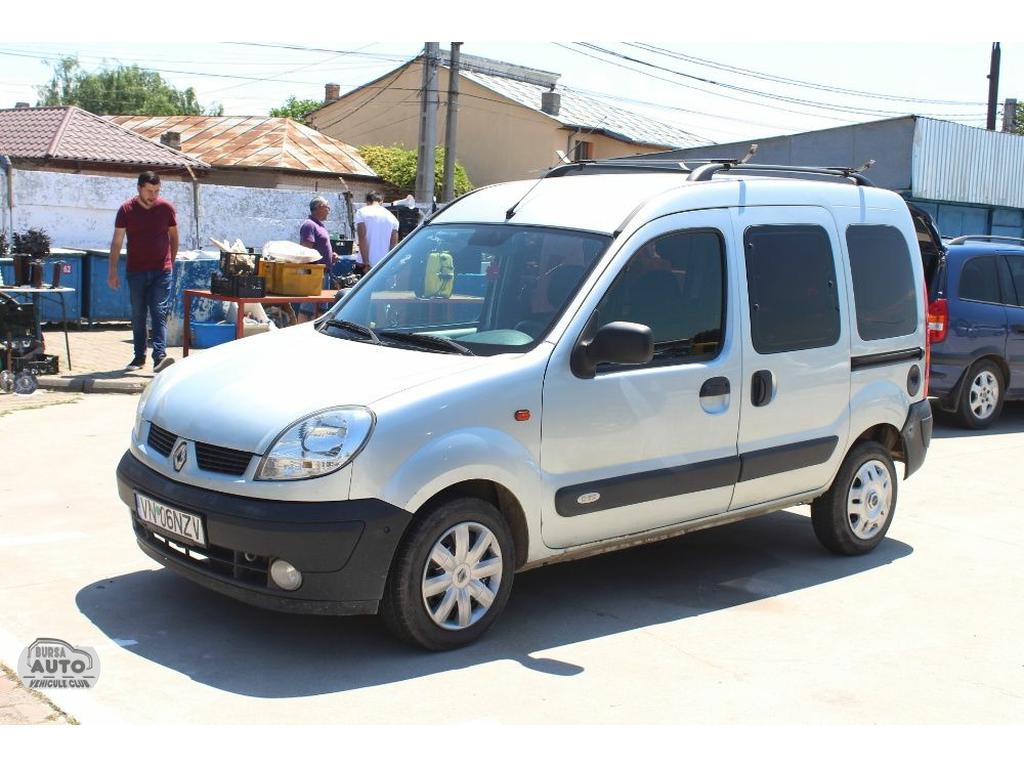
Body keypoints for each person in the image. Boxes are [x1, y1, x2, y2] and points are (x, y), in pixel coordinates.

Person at [109, 171, 177, 372]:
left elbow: (174, 236)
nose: (153, 195)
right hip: (136, 271)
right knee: (138, 314)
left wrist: (170, 262)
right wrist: (112, 270)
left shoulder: (166, 208)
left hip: (161, 271)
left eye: (157, 191)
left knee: (158, 312)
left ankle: (160, 357)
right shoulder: (126, 210)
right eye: (149, 191)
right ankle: (139, 357)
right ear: (139, 188)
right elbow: (117, 241)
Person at [296, 196, 339, 321]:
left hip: (324, 273)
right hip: (314, 274)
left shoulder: (320, 226)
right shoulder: (309, 225)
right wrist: (309, 274)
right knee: (308, 308)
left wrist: (331, 256)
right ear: (319, 207)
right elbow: (306, 250)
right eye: (327, 207)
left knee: (321, 308)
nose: (329, 210)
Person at [355, 191, 399, 270]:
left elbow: (362, 237)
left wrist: (366, 263)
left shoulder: (361, 212)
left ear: (367, 201)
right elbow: (394, 246)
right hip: (383, 265)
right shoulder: (393, 218)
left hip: (364, 264)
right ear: (381, 201)